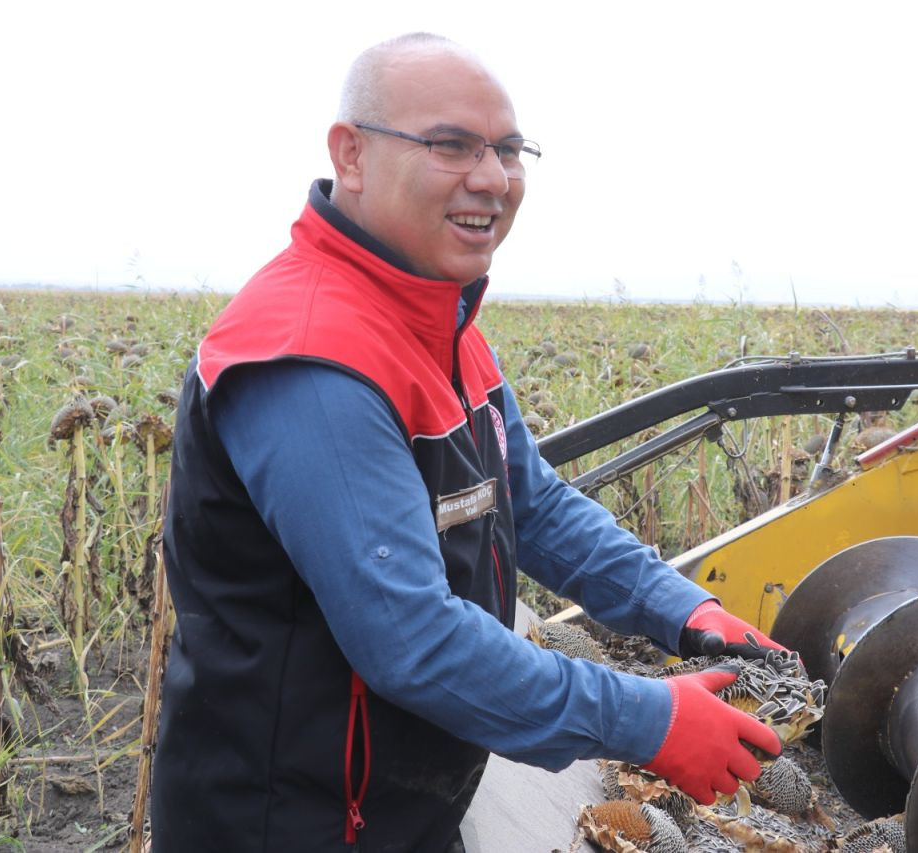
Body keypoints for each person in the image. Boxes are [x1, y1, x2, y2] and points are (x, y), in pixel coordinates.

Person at [151, 32, 785, 852]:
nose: (491, 177)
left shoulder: (437, 322)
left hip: (397, 810)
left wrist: (686, 611)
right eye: (451, 144)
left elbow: (535, 504)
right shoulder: (312, 358)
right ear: (352, 154)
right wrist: (649, 719)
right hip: (293, 822)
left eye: (509, 149)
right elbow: (412, 640)